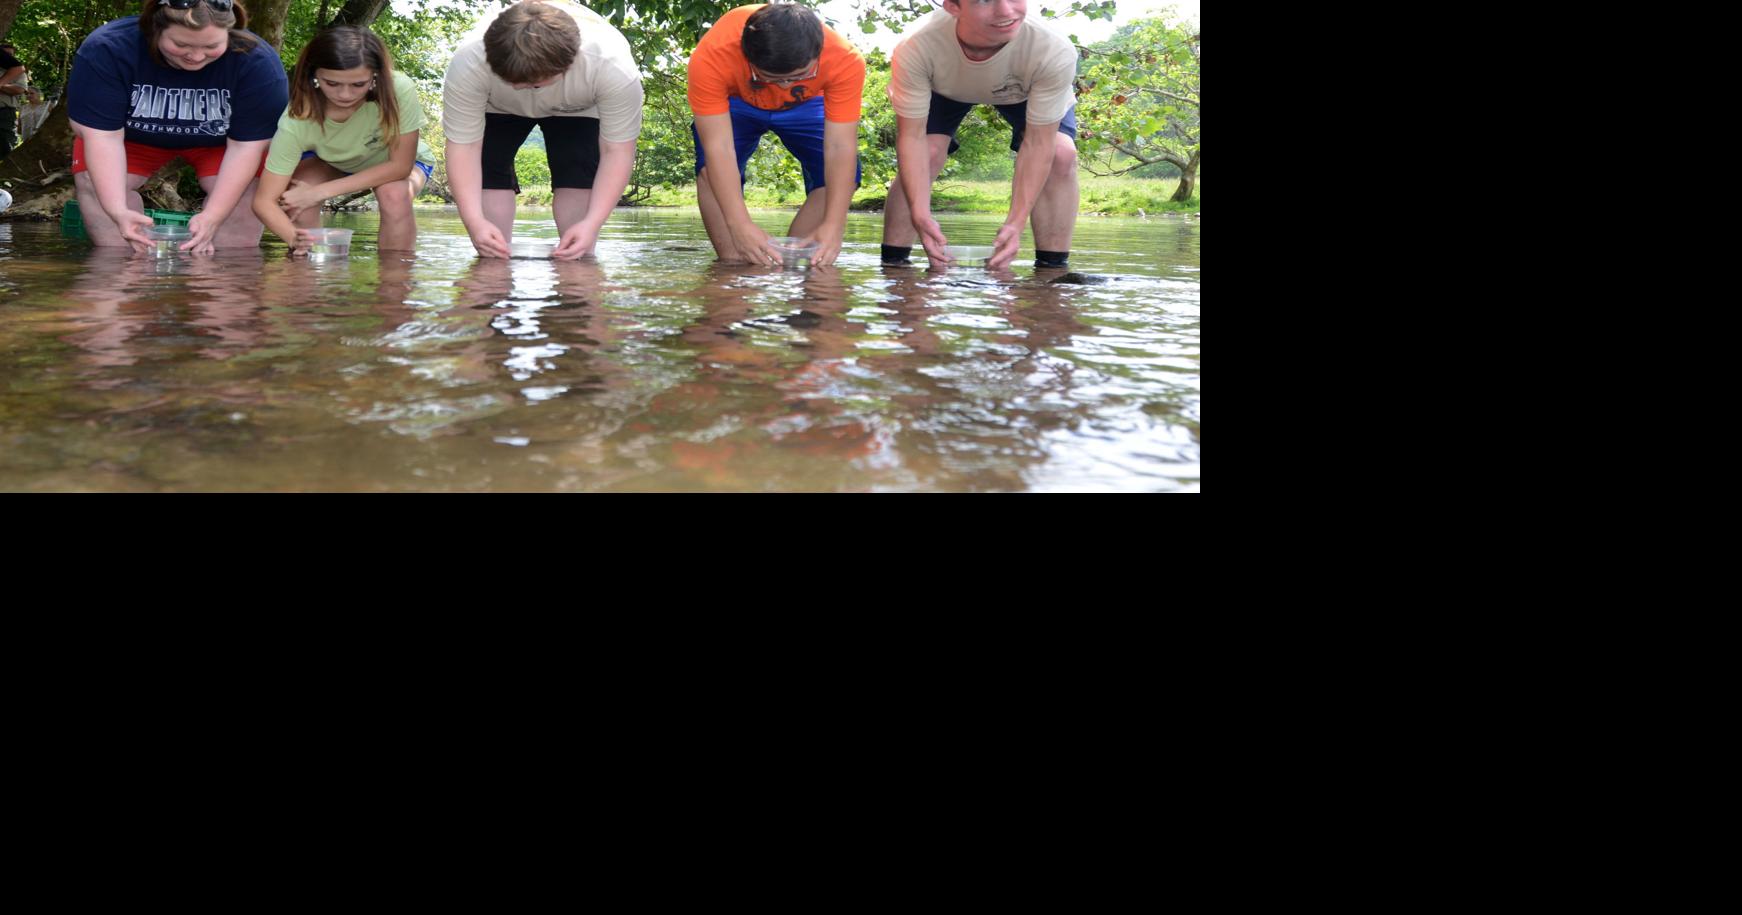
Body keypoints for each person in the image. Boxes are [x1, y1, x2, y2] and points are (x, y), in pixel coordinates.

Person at [66, 0, 289, 254]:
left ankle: (227, 285)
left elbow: (246, 147)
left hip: (221, 142)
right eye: (181, 45)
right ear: (153, 29)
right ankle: (122, 274)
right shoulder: (108, 49)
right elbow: (102, 138)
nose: (195, 56)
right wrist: (117, 210)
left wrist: (214, 215)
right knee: (94, 182)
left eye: (211, 46)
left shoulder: (257, 62)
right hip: (132, 138)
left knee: (245, 193)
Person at [881, 0, 1080, 270]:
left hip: (1021, 90)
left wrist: (1016, 222)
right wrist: (920, 213)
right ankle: (894, 268)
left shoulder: (1052, 49)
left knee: (1061, 154)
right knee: (927, 153)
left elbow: (1038, 144)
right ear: (952, 6)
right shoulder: (916, 45)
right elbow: (912, 138)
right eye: (984, 1)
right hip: (944, 87)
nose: (1006, 12)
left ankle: (1052, 273)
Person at [442, 0, 643, 260]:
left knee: (577, 168)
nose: (521, 88)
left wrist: (592, 224)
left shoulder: (612, 68)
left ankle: (576, 264)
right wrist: (473, 221)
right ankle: (493, 264)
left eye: (534, 82)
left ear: (567, 63)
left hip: (580, 105)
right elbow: (464, 147)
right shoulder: (468, 63)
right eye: (513, 80)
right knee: (488, 167)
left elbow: (617, 151)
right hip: (495, 104)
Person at [686, 3, 865, 267]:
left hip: (807, 103)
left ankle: (792, 264)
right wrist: (740, 224)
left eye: (800, 76)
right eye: (771, 78)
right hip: (737, 100)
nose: (784, 86)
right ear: (747, 57)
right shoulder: (712, 55)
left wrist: (834, 224)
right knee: (709, 171)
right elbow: (719, 147)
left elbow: (840, 147)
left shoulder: (844, 59)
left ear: (819, 53)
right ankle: (733, 267)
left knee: (843, 178)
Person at [254, 26, 431, 255]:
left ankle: (395, 284)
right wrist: (295, 239)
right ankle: (305, 277)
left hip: (393, 163)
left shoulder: (399, 89)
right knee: (299, 196)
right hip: (330, 163)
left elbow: (400, 167)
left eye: (358, 84)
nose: (345, 95)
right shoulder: (296, 119)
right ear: (314, 75)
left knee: (395, 195)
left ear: (375, 75)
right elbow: (263, 201)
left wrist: (319, 192)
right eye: (332, 84)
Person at [1, 41, 45, 159]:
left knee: (5, 144)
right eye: (5, 54)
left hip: (5, 112)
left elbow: (19, 89)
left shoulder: (18, 72)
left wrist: (1, 85)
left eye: (11, 55)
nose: (8, 57)